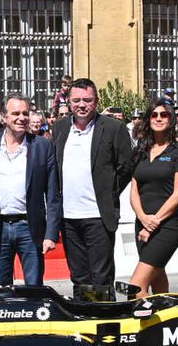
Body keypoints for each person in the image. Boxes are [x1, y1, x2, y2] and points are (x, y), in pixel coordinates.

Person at [51, 78, 134, 291]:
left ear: (96, 102)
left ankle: (104, 320)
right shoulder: (59, 128)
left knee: (101, 278)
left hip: (98, 216)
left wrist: (109, 192)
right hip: (69, 217)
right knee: (79, 277)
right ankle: (83, 317)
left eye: (87, 100)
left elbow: (125, 167)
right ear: (68, 102)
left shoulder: (113, 128)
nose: (81, 105)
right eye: (76, 100)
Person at [0, 93, 60, 286]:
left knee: (34, 288)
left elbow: (53, 194)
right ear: (4, 117)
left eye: (25, 113)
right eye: (15, 113)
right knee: (1, 289)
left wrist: (51, 234)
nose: (22, 118)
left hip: (30, 228)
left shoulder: (43, 146)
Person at [127, 100, 178, 297]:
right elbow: (134, 190)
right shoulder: (140, 151)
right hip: (142, 224)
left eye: (164, 115)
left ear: (171, 120)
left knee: (136, 287)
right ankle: (163, 322)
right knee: (157, 280)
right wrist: (142, 218)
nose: (159, 118)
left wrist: (152, 223)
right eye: (154, 115)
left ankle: (144, 327)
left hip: (165, 227)